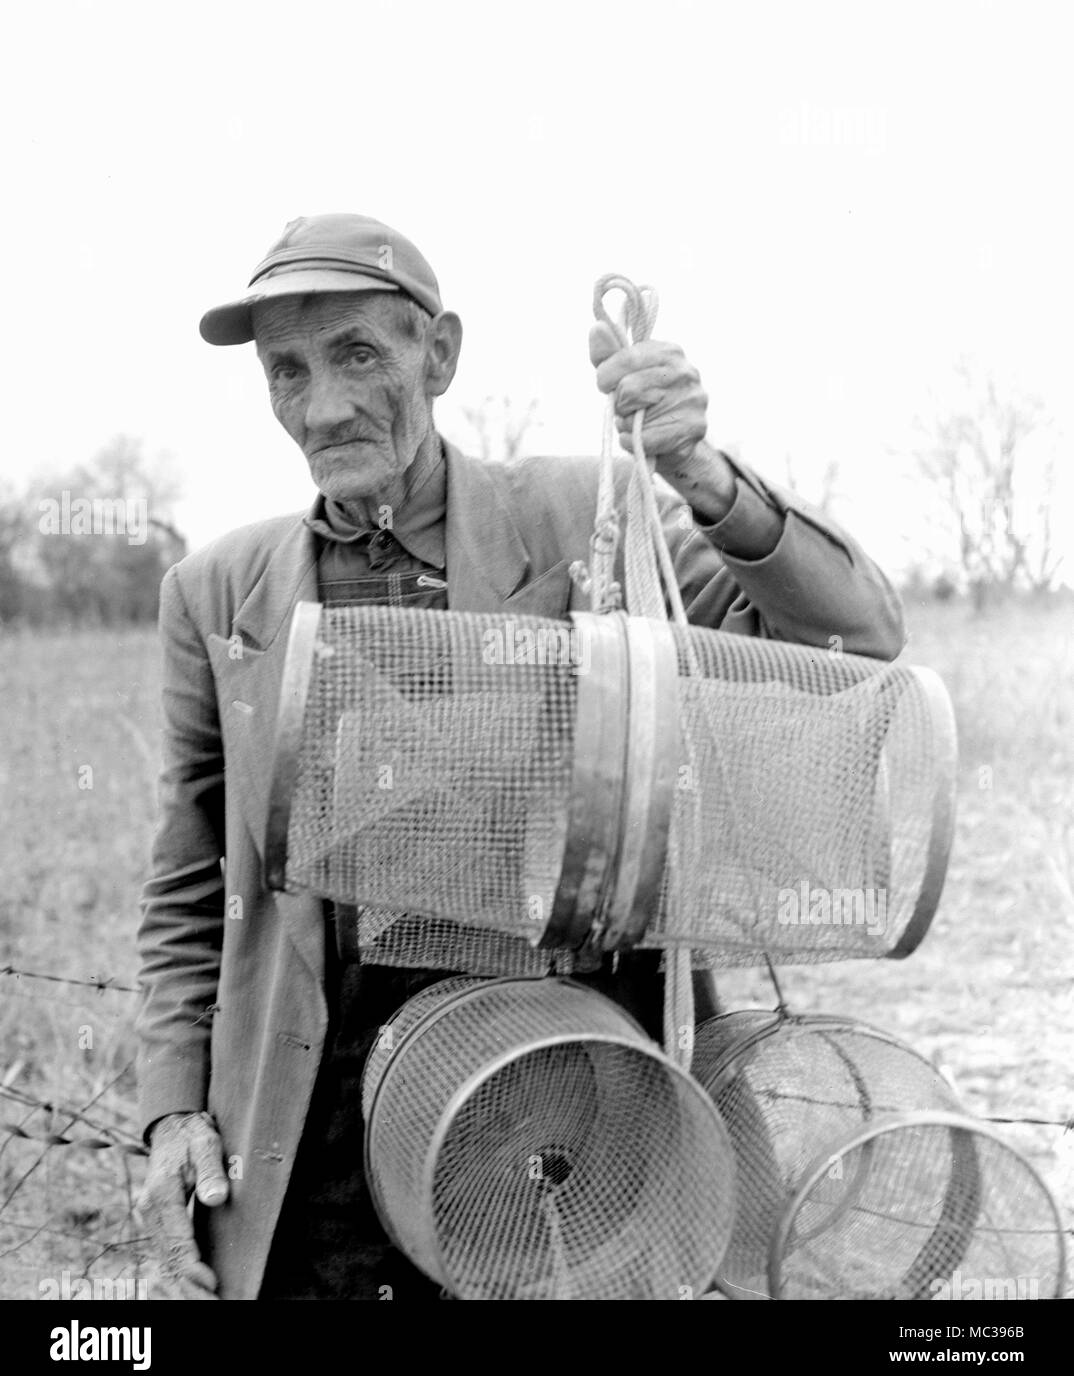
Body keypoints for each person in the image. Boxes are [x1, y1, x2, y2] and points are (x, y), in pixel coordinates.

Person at [134, 212, 906, 1301]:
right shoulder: (216, 592)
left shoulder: (581, 517)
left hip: (581, 1106)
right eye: (287, 369)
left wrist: (700, 470)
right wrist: (172, 1105)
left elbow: (851, 642)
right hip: (322, 1134)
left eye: (359, 353)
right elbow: (187, 882)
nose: (324, 405)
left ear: (439, 353)